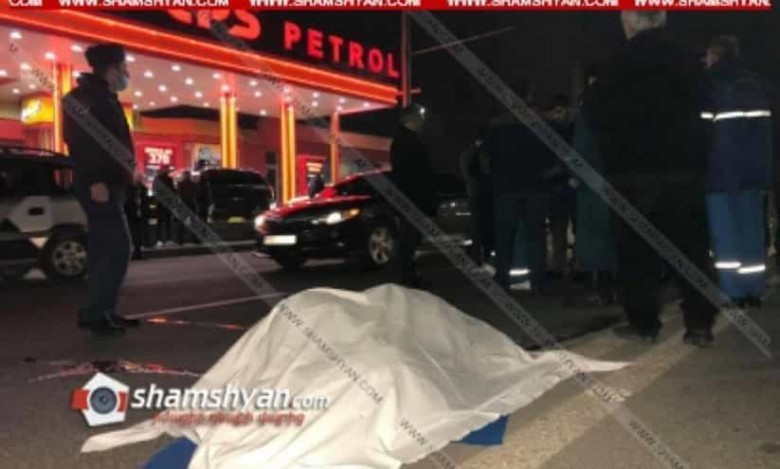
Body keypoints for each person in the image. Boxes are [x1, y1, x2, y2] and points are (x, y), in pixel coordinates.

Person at [587, 11, 718, 347]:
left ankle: (644, 323)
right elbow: (708, 110)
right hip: (682, 170)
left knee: (636, 253)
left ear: (631, 22)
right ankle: (699, 324)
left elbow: (596, 116)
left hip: (632, 173)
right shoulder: (687, 60)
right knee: (690, 247)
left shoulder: (617, 62)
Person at [63, 43, 139, 335]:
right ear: (111, 69)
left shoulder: (103, 97)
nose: (126, 73)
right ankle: (97, 313)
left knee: (105, 248)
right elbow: (81, 141)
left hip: (109, 183)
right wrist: (97, 180)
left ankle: (101, 310)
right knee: (117, 248)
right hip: (99, 184)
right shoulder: (87, 98)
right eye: (123, 68)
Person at [702, 35, 772, 308]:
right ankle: (754, 288)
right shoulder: (755, 85)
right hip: (753, 173)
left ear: (715, 56)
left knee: (725, 235)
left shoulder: (709, 86)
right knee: (751, 231)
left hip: (719, 173)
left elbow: (702, 133)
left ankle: (731, 291)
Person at [485, 79, 557, 293]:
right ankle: (538, 280)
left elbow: (487, 157)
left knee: (505, 235)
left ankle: (502, 278)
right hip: (535, 186)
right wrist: (547, 174)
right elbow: (553, 154)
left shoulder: (497, 125)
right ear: (529, 95)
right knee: (536, 235)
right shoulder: (541, 122)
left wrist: (494, 179)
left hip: (506, 187)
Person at [566, 63, 619, 307]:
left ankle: (598, 288)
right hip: (616, 180)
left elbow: (581, 147)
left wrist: (574, 174)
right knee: (612, 234)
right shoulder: (620, 105)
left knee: (592, 236)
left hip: (591, 182)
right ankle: (614, 287)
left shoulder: (588, 110)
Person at [390, 104, 437, 288]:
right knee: (410, 238)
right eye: (419, 117)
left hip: (411, 196)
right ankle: (407, 276)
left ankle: (408, 275)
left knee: (410, 237)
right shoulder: (407, 142)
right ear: (411, 119)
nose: (422, 121)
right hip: (413, 197)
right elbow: (415, 172)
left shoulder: (403, 140)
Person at [545, 94, 576, 278]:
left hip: (563, 185)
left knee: (562, 227)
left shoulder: (567, 130)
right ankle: (560, 265)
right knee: (559, 228)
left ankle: (562, 265)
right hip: (561, 185)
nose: (557, 115)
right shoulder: (566, 131)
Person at [459, 125, 492, 266]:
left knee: (476, 228)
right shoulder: (485, 152)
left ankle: (477, 256)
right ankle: (488, 254)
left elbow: (466, 175)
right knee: (488, 225)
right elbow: (487, 171)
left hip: (473, 193)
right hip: (485, 193)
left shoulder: (466, 154)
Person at [125, 175, 147, 260]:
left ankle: (137, 251)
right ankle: (137, 251)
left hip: (134, 213)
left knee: (135, 233)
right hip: (134, 213)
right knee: (135, 233)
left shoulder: (133, 188)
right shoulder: (134, 188)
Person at [176, 170, 200, 244]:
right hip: (191, 203)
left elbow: (179, 193)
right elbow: (196, 193)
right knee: (193, 222)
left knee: (181, 223)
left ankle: (180, 240)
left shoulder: (180, 184)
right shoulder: (193, 184)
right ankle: (195, 239)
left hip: (183, 204)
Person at [153, 165, 175, 246]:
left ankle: (158, 239)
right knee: (167, 222)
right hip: (167, 203)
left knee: (159, 222)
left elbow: (155, 190)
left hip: (160, 203)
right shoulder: (169, 179)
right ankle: (168, 239)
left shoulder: (157, 179)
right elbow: (173, 191)